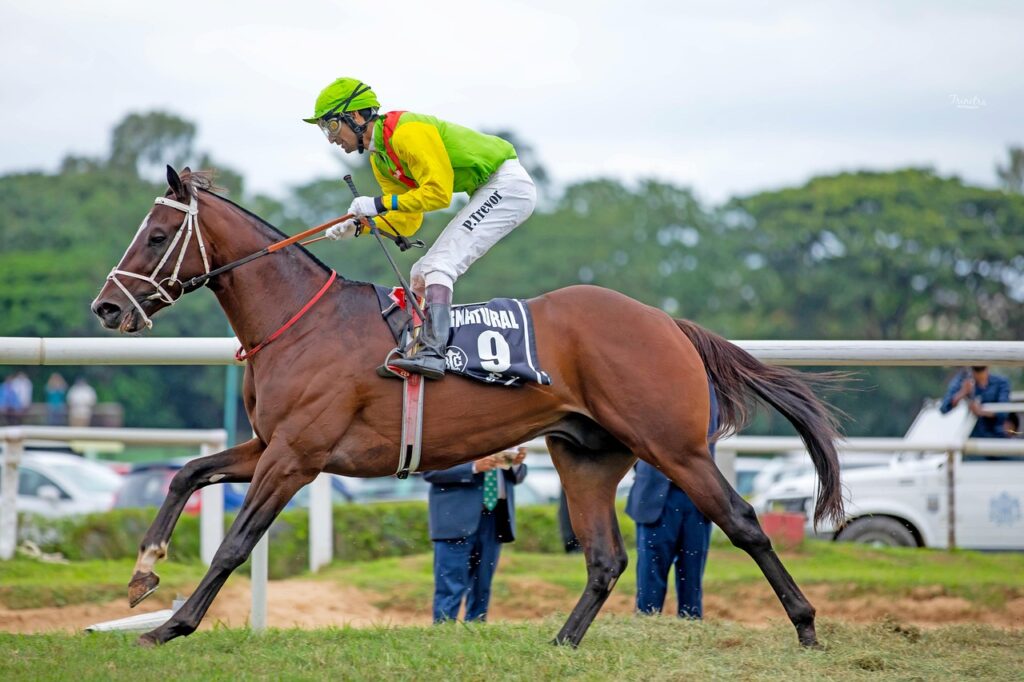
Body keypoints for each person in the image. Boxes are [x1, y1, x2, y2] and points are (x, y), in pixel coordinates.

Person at [304, 78, 537, 379]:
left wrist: (375, 204)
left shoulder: (408, 132)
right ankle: (413, 349)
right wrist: (360, 226)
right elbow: (410, 217)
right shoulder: (381, 159)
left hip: (508, 186)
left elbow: (438, 194)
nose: (331, 138)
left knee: (441, 264)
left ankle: (434, 352)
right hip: (486, 190)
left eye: (332, 126)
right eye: (325, 129)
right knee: (420, 272)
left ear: (357, 116)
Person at [626, 381, 719, 619]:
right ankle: (646, 625)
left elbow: (711, 430)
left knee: (692, 574)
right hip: (654, 491)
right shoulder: (643, 381)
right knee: (649, 574)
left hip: (695, 494)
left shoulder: (705, 383)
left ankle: (690, 626)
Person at [423, 447, 527, 623]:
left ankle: (477, 628)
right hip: (455, 518)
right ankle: (443, 631)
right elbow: (430, 471)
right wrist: (473, 467)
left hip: (495, 518)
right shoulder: (449, 432)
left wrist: (516, 465)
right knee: (450, 584)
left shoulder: (505, 433)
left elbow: (518, 476)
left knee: (483, 583)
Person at [940, 366, 1012, 438]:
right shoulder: (963, 381)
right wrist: (962, 392)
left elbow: (1004, 412)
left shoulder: (1001, 382)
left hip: (995, 436)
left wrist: (980, 411)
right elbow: (944, 408)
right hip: (971, 436)